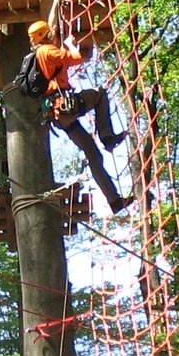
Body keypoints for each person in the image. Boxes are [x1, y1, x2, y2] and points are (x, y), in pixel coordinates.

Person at [27, 20, 133, 214]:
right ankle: (107, 137)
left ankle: (114, 201)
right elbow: (77, 58)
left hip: (58, 116)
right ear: (44, 36)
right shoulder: (48, 51)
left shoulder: (38, 54)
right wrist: (69, 44)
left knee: (93, 154)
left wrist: (56, 1)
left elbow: (51, 27)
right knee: (99, 93)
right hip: (66, 105)